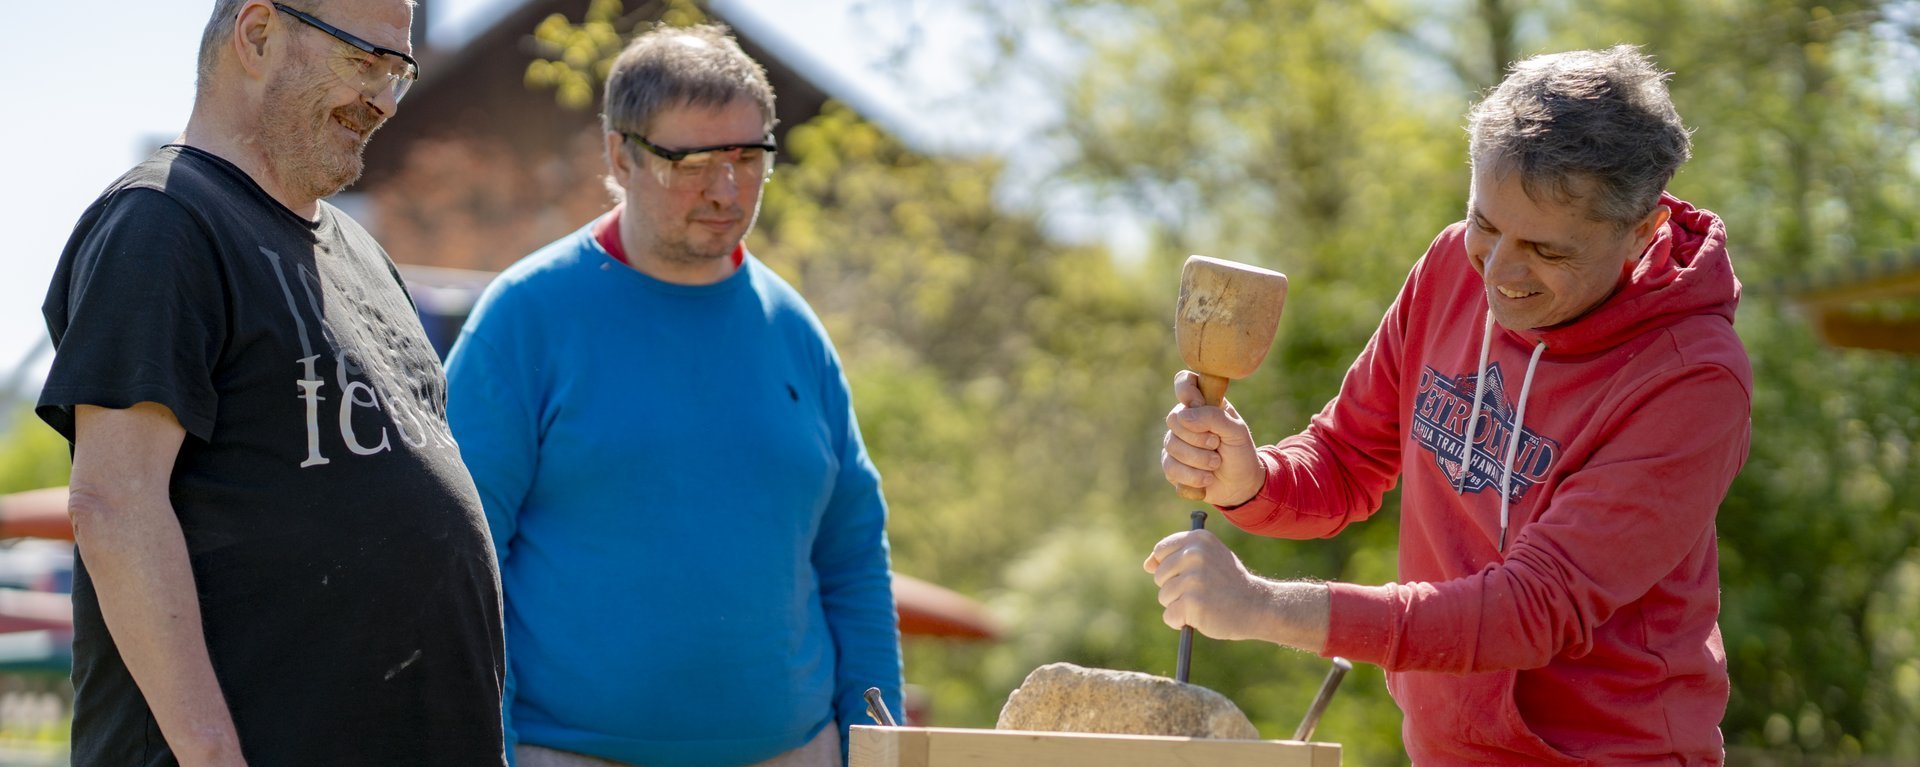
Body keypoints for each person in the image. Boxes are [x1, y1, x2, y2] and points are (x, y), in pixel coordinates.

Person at [1149, 46, 1750, 765]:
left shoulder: (1692, 379)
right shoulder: (1446, 270)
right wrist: (1248, 478)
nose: (1497, 275)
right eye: (1485, 225)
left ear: (1642, 230)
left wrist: (1262, 607)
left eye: (1545, 251)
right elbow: (1343, 461)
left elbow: (1531, 611)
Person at [36, 1, 506, 764]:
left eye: (401, 72)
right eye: (366, 62)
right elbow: (114, 502)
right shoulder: (163, 221)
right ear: (258, 34)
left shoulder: (360, 251)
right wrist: (213, 752)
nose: (385, 100)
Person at [444, 23, 902, 767]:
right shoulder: (526, 317)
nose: (726, 189)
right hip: (567, 752)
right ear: (620, 154)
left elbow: (852, 554)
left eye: (748, 158)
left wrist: (878, 748)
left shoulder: (795, 329)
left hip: (797, 751)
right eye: (691, 161)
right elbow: (460, 561)